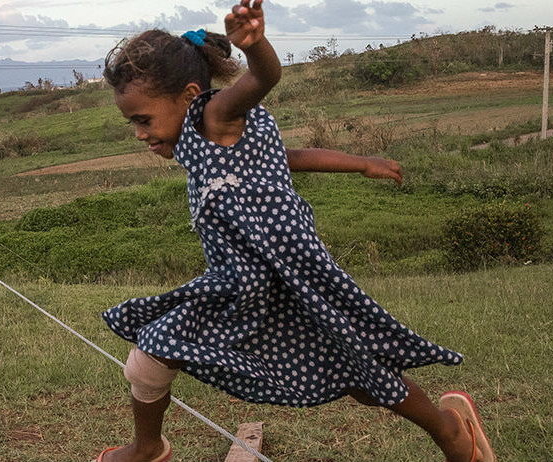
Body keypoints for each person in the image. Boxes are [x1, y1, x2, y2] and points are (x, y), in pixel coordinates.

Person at [95, 1, 497, 462]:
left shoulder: (215, 118)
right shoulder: (212, 144)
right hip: (254, 284)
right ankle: (147, 448)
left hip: (273, 278)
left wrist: (255, 46)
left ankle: (449, 431)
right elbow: (291, 158)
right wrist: (361, 163)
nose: (140, 134)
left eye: (143, 120)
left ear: (189, 96)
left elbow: (264, 78)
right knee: (349, 371)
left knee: (353, 369)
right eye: (133, 123)